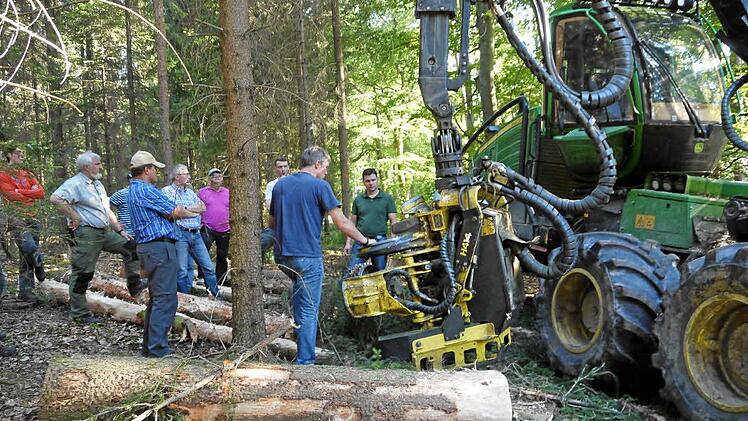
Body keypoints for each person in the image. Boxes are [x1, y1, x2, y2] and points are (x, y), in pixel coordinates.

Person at [270, 146, 375, 365]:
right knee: (308, 308)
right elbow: (342, 222)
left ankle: (301, 348)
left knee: (300, 301)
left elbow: (272, 223)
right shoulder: (320, 186)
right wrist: (365, 241)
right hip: (307, 256)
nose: (326, 171)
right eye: (325, 166)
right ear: (317, 164)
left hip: (282, 256)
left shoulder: (281, 185)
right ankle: (306, 361)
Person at [50, 151, 144, 324]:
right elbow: (56, 198)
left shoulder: (98, 184)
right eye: (97, 163)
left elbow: (106, 210)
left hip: (104, 231)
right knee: (83, 273)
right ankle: (79, 314)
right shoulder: (75, 183)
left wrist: (119, 230)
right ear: (86, 167)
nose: (100, 166)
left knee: (131, 247)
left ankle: (134, 286)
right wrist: (74, 216)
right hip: (86, 233)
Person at [128, 151, 197, 357]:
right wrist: (199, 209)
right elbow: (175, 211)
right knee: (166, 299)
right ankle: (158, 350)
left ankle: (150, 347)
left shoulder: (135, 190)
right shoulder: (146, 190)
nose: (157, 172)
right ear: (147, 170)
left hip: (151, 249)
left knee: (158, 298)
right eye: (154, 169)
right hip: (159, 248)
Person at [162, 164, 220, 297]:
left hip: (196, 234)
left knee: (208, 267)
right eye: (186, 174)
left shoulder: (190, 192)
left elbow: (203, 207)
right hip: (180, 233)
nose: (189, 177)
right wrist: (191, 211)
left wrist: (186, 209)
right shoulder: (167, 191)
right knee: (182, 270)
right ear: (177, 177)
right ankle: (184, 298)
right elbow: (175, 212)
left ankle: (216, 295)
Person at [0, 143, 45, 301]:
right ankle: (40, 263)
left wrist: (21, 191)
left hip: (32, 216)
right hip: (15, 216)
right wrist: (28, 193)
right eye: (18, 152)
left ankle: (26, 292)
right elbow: (10, 195)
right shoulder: (3, 174)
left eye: (21, 152)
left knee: (26, 256)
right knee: (29, 247)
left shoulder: (28, 173)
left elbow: (40, 192)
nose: (21, 155)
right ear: (9, 155)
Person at [344, 168, 397, 271]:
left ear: (377, 180)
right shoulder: (358, 200)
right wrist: (348, 243)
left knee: (380, 273)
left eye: (373, 180)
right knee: (351, 272)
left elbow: (393, 221)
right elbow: (352, 223)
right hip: (361, 240)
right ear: (364, 182)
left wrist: (392, 241)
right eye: (367, 181)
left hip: (380, 241)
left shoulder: (387, 198)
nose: (371, 183)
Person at [198, 168, 230, 285]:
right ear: (209, 178)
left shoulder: (227, 192)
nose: (216, 178)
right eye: (213, 176)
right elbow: (197, 207)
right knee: (203, 252)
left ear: (222, 178)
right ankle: (202, 278)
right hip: (207, 227)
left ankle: (221, 279)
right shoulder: (202, 192)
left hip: (225, 228)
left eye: (219, 176)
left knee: (222, 255)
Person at [261, 157, 290, 253]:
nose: (283, 169)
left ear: (288, 167)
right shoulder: (271, 185)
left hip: (293, 224)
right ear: (275, 169)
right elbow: (269, 205)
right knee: (261, 243)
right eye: (280, 167)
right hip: (276, 223)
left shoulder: (296, 183)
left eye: (285, 166)